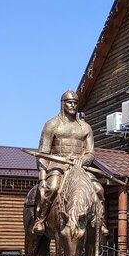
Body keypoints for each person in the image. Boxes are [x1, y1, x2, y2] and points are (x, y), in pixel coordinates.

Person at [30, 90, 106, 235]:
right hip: (57, 164)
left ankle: (99, 221)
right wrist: (42, 176)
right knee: (52, 188)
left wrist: (82, 160)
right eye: (69, 102)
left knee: (99, 190)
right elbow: (43, 152)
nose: (72, 105)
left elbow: (90, 152)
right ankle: (40, 219)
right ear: (63, 104)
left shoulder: (85, 127)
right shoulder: (52, 124)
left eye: (75, 103)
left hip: (79, 167)